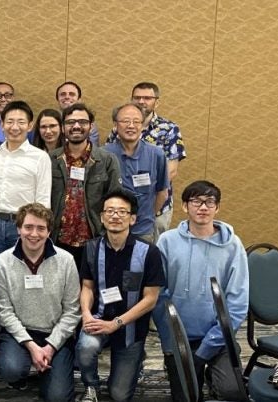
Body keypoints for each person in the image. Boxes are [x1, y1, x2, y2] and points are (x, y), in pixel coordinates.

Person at [155, 180, 247, 401]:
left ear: (218, 207)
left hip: (218, 335)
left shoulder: (233, 245)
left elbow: (237, 303)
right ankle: (185, 369)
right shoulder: (167, 241)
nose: (203, 207)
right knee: (186, 396)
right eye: (196, 201)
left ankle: (212, 374)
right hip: (180, 336)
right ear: (185, 206)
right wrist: (171, 341)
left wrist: (206, 348)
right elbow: (158, 295)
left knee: (232, 391)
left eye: (210, 202)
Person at [76, 190, 165, 402]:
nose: (115, 216)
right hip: (99, 318)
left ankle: (136, 360)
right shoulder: (91, 248)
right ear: (102, 217)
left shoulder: (149, 252)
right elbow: (87, 287)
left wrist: (116, 323)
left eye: (122, 212)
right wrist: (87, 314)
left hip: (131, 328)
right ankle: (91, 386)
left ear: (132, 219)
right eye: (110, 211)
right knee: (86, 347)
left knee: (119, 395)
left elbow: (151, 298)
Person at [0, 203, 81, 402]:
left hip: (55, 334)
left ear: (49, 231)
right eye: (28, 227)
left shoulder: (66, 261)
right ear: (18, 229)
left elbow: (72, 311)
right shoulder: (3, 261)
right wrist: (32, 346)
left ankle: (47, 369)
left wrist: (50, 346)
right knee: (11, 369)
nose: (34, 234)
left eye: (41, 228)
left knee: (58, 397)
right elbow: (4, 311)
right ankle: (28, 369)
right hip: (19, 334)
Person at [108, 82, 186, 239]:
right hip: (118, 213)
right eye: (137, 97)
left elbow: (170, 171)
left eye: (147, 98)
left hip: (155, 207)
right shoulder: (117, 131)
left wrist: (145, 209)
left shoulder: (169, 128)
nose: (142, 101)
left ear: (157, 102)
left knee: (151, 251)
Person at [50, 103, 122, 270]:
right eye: (70, 122)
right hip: (57, 239)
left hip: (94, 238)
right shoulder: (50, 159)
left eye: (82, 122)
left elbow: (116, 199)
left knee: (92, 288)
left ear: (91, 126)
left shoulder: (107, 160)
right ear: (62, 127)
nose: (76, 126)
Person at [0, 101, 52, 266]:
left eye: (21, 122)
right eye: (9, 121)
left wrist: (36, 230)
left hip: (24, 225)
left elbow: (43, 199)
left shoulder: (40, 157)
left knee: (23, 273)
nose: (14, 127)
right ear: (1, 125)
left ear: (30, 126)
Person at [103, 103, 168, 242]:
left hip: (143, 230)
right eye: (126, 121)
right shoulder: (104, 154)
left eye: (136, 121)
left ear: (143, 125)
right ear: (115, 125)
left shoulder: (156, 154)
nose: (131, 126)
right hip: (110, 229)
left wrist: (148, 215)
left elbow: (162, 192)